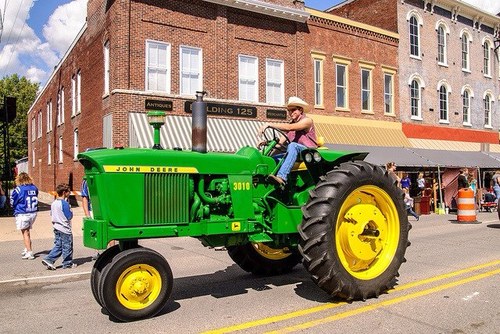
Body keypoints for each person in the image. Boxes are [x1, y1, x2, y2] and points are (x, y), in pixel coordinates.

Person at [258, 96, 317, 186]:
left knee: (293, 145)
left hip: (308, 152)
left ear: (300, 110)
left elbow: (290, 127)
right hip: (295, 152)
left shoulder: (307, 121)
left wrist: (269, 124)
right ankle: (266, 180)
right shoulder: (291, 125)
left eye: (293, 110)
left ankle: (282, 177)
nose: (290, 113)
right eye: (289, 110)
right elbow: (279, 143)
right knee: (273, 159)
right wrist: (267, 145)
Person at [42, 183, 77, 270]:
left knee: (59, 245)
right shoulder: (64, 204)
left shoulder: (54, 203)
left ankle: (49, 259)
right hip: (64, 228)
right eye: (69, 192)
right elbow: (69, 216)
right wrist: (70, 210)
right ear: (65, 192)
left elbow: (52, 214)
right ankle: (67, 263)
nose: (69, 193)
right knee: (67, 246)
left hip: (56, 227)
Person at [10, 172, 39, 260]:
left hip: (23, 212)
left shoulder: (19, 189)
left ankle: (29, 252)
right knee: (27, 232)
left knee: (25, 233)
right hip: (33, 212)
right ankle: (27, 248)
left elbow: (13, 201)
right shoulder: (34, 188)